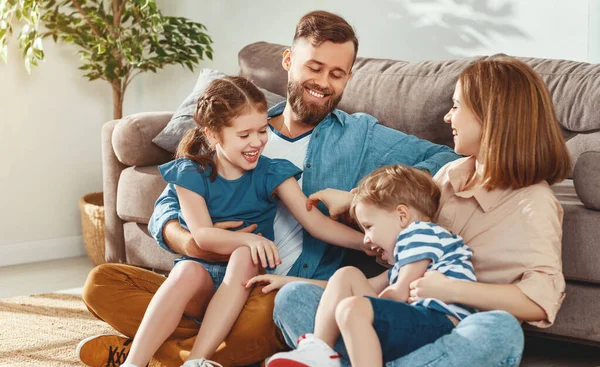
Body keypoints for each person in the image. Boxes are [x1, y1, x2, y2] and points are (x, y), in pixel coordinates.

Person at [77, 11, 467, 367]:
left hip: (270, 288)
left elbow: (443, 159)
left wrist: (357, 199)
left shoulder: (361, 134)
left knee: (262, 328)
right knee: (102, 284)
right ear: (288, 61)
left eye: (337, 73)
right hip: (203, 273)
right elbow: (170, 202)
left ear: (349, 77)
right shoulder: (244, 123)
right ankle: (189, 354)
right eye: (314, 67)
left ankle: (151, 353)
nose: (323, 83)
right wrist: (190, 241)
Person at [272, 56, 571, 366]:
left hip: (452, 331)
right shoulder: (449, 176)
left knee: (500, 329)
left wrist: (453, 289)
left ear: (490, 117)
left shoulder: (533, 202)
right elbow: (390, 277)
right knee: (294, 298)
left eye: (456, 107)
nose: (447, 117)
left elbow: (539, 301)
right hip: (399, 319)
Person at [118, 76, 364, 367]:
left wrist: (366, 243)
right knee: (185, 272)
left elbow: (317, 224)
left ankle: (196, 361)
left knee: (246, 256)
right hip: (202, 288)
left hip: (249, 291)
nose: (257, 142)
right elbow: (202, 237)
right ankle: (133, 363)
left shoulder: (272, 173)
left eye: (262, 131)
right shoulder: (190, 173)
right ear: (212, 135)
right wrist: (250, 238)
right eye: (244, 135)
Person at [262, 164, 476, 367]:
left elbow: (399, 293)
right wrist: (288, 280)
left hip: (440, 324)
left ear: (402, 216)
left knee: (353, 308)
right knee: (347, 275)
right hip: (416, 323)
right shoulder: (408, 261)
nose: (365, 240)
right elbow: (355, 286)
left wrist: (363, 310)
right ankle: (318, 350)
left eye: (368, 227)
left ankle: (322, 352)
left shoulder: (420, 233)